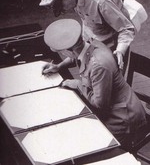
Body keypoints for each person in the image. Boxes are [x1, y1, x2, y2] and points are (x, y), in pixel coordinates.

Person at [42, 18, 147, 151]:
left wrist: (77, 84)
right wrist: (59, 66)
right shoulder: (91, 43)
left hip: (123, 119)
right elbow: (77, 55)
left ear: (68, 50)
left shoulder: (98, 66)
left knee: (84, 144)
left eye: (61, 52)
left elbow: (100, 105)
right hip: (118, 107)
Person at [39, 0, 135, 73]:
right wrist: (59, 66)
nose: (65, 11)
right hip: (95, 36)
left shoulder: (101, 0)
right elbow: (84, 50)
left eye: (63, 7)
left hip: (113, 42)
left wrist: (120, 51)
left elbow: (126, 28)